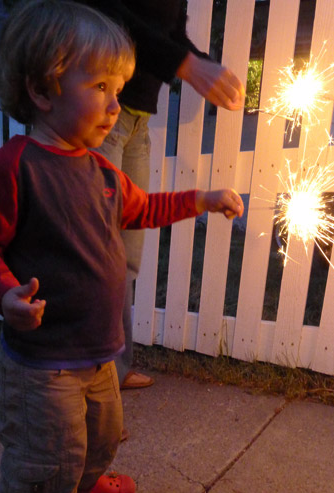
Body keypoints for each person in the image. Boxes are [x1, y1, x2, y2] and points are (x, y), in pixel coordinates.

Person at [0, 0, 244, 493]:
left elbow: (144, 208)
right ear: (41, 90)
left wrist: (203, 198)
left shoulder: (102, 173)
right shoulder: (14, 168)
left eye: (121, 88)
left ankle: (84, 485)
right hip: (41, 363)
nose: (117, 104)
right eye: (102, 86)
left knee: (102, 434)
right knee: (47, 451)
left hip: (97, 352)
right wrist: (5, 294)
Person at [78, 0, 246, 391]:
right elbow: (108, 18)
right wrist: (185, 64)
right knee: (96, 253)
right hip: (97, 115)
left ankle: (111, 372)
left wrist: (201, 65)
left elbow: (145, 209)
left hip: (137, 118)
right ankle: (82, 385)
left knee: (126, 255)